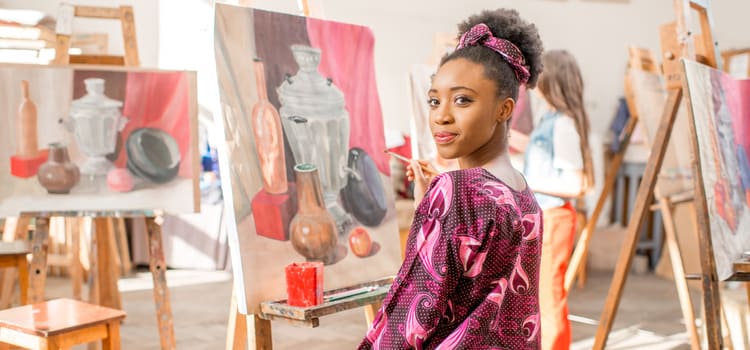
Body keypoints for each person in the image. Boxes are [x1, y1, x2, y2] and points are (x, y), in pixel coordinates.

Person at [358, 8, 544, 349]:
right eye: (434, 100)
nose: (441, 116)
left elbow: (413, 313)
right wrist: (426, 207)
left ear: (504, 110)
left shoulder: (458, 191)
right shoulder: (522, 192)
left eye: (462, 100)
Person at [510, 50, 594, 350]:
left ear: (551, 81)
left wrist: (523, 182)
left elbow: (577, 183)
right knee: (538, 297)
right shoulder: (552, 119)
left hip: (555, 219)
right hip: (545, 217)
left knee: (549, 297)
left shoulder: (564, 125)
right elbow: (535, 148)